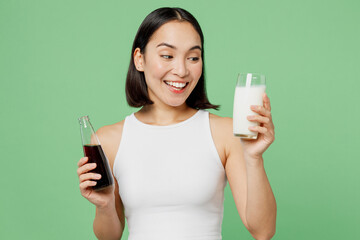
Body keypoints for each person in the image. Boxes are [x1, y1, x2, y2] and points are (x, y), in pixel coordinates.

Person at [76, 7, 276, 240]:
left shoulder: (224, 133)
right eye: (167, 56)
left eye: (193, 57)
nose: (181, 70)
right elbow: (109, 237)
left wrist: (254, 158)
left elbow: (262, 231)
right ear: (139, 59)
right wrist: (104, 205)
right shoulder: (109, 139)